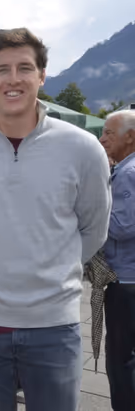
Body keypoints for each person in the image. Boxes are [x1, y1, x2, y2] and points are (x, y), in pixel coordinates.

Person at [0, 28, 112, 411]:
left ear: (42, 76)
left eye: (24, 68)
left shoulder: (83, 148)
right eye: (2, 69)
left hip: (54, 325)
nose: (13, 79)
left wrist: (52, 272)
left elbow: (94, 229)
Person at [99, 110, 135, 411]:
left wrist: (89, 212)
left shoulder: (127, 173)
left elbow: (122, 227)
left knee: (120, 358)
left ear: (130, 137)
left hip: (126, 280)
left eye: (109, 133)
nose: (102, 139)